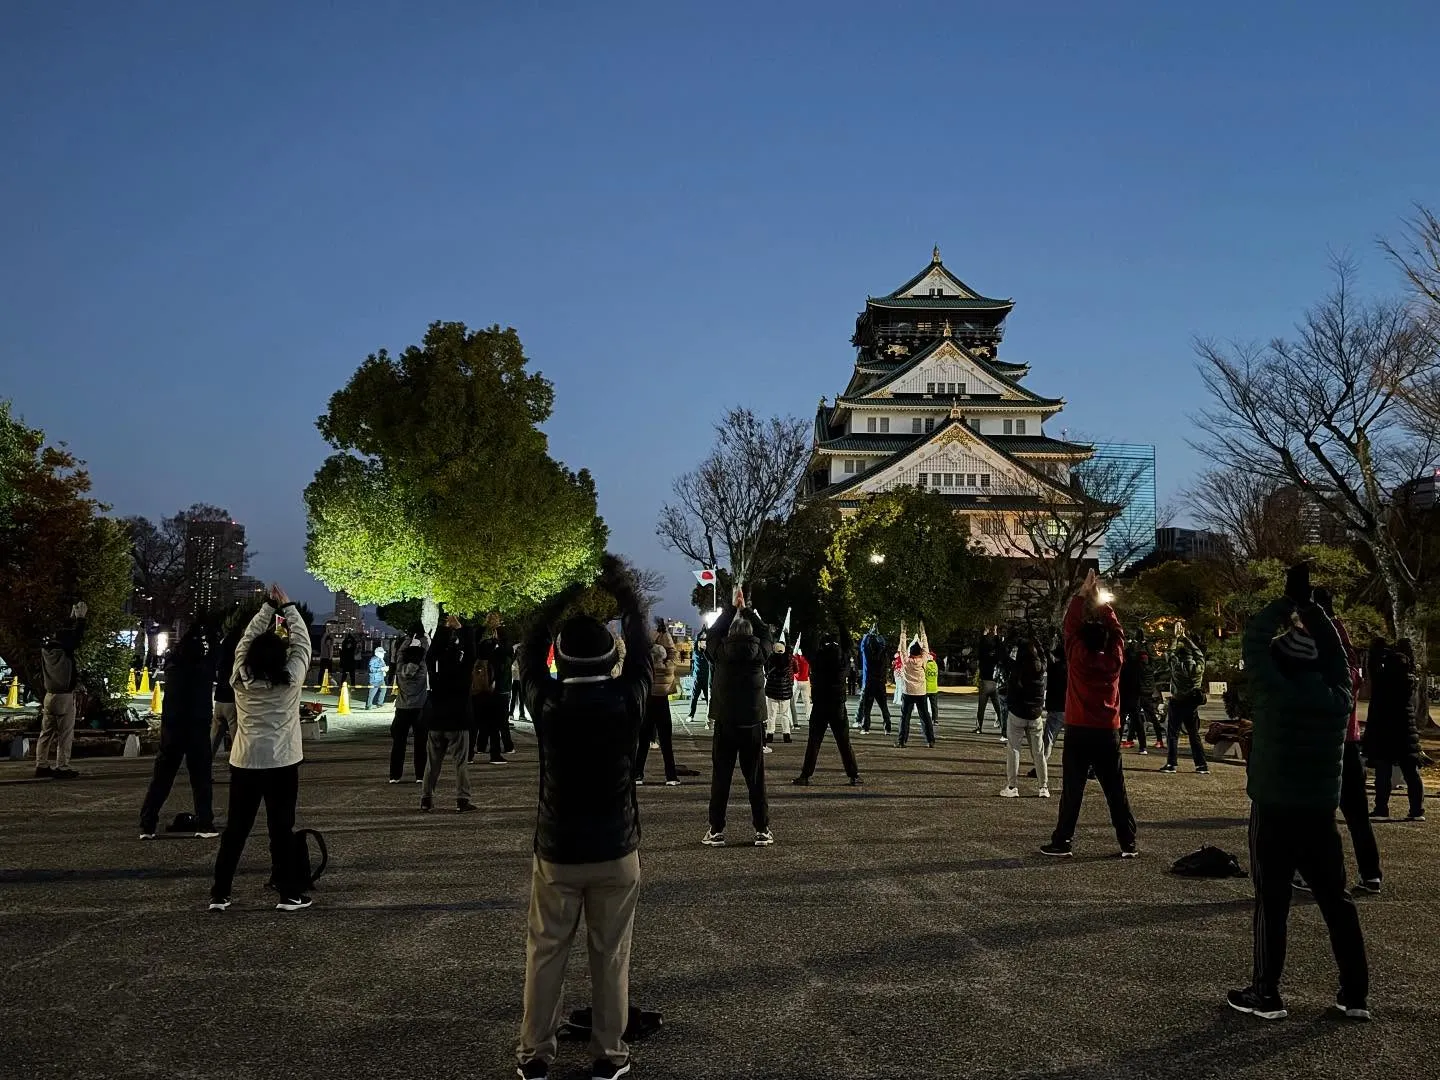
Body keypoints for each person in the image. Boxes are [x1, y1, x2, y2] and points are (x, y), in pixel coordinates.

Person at [515, 555, 652, 1080]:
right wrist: (622, 589)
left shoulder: (546, 702)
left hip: (558, 849)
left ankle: (535, 1054)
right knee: (610, 955)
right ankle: (608, 1054)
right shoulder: (628, 698)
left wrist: (563, 593)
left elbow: (529, 647)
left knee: (546, 952)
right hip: (616, 849)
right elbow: (640, 644)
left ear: (560, 660)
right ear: (611, 656)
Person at [1227, 562, 1369, 1022]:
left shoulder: (1272, 692)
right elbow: (1335, 654)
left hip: (1273, 808)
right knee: (1336, 898)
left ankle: (1267, 993)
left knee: (1273, 901)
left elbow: (1253, 637)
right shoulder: (1338, 697)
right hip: (1319, 813)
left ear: (1283, 660)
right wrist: (1312, 610)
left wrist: (1288, 602)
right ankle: (1354, 994)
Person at [210, 585, 313, 912]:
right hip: (282, 761)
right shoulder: (291, 679)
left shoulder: (239, 679)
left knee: (236, 830)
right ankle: (289, 894)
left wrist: (267, 608)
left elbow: (245, 641)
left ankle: (220, 893)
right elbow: (302, 643)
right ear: (281, 657)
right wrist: (288, 607)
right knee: (281, 828)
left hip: (245, 761)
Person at [1041, 571, 1137, 858]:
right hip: (1108, 729)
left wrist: (1083, 593)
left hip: (1079, 728)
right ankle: (1127, 842)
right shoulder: (1115, 658)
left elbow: (1069, 626)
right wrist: (1104, 605)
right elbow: (1118, 632)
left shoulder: (1077, 656)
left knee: (1073, 789)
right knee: (1115, 789)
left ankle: (1063, 841)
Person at [1307, 588, 1382, 894]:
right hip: (1349, 740)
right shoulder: (1345, 643)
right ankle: (1371, 874)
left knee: (1313, 813)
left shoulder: (1316, 642)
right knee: (1357, 815)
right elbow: (1355, 680)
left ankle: (1316, 874)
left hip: (1322, 742)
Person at [703, 588, 774, 848]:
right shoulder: (760, 655)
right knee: (756, 779)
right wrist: (748, 611)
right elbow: (766, 633)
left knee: (721, 778)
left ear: (730, 633)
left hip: (726, 722)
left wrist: (732, 609)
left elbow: (712, 634)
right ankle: (762, 829)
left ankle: (716, 829)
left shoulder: (720, 653)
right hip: (753, 723)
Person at [140, 622, 219, 839]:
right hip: (198, 727)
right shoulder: (204, 668)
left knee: (162, 779)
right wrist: (211, 632)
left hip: (172, 727)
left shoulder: (172, 666)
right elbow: (215, 653)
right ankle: (205, 824)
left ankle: (147, 824)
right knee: (201, 779)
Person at [1362, 637, 1425, 823]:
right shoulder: (1409, 680)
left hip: (1384, 729)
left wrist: (1377, 648)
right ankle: (1417, 810)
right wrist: (1405, 649)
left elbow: (1372, 666)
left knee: (1383, 771)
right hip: (1405, 729)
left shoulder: (1382, 680)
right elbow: (1411, 663)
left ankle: (1381, 808)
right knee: (1411, 772)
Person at [421, 614, 478, 812]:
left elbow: (430, 656)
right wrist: (462, 630)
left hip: (436, 720)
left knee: (432, 763)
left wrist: (445, 630)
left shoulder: (436, 674)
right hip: (458, 721)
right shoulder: (463, 673)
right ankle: (462, 799)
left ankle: (426, 798)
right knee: (460, 763)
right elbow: (471, 654)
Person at [792, 627, 862, 786]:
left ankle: (805, 775)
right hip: (837, 704)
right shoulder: (842, 661)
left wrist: (812, 626)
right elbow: (848, 645)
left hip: (820, 705)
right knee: (844, 742)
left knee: (814, 741)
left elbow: (807, 645)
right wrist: (841, 621)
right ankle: (854, 774)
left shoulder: (817, 659)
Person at [36, 601, 87, 779]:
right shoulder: (65, 651)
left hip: (49, 695)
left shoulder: (46, 650)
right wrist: (80, 620)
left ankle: (41, 764)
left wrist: (71, 619)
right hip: (64, 696)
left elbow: (67, 635)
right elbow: (76, 638)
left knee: (46, 732)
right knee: (65, 734)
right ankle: (62, 766)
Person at [1001, 630, 1049, 799]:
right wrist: (1038, 642)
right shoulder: (1041, 667)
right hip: (1035, 715)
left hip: (1017, 714)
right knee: (1038, 752)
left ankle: (1012, 786)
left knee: (1014, 749)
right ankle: (1043, 787)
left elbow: (1003, 656)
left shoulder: (1016, 668)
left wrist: (1008, 640)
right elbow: (1044, 657)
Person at [635, 621, 680, 786]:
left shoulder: (646, 668)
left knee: (643, 741)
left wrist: (655, 636)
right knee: (666, 742)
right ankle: (671, 776)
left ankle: (638, 774)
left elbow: (644, 651)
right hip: (662, 702)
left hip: (648, 702)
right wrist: (665, 633)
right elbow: (672, 651)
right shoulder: (668, 667)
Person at [1161, 626, 1209, 774]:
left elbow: (1169, 653)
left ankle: (1172, 764)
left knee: (1173, 733)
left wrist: (1176, 638)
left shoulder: (1177, 665)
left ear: (1180, 655)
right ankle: (1201, 765)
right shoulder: (1199, 667)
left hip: (1177, 702)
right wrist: (1187, 639)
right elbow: (1199, 653)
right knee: (1194, 734)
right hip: (1192, 703)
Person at [389, 645, 428, 784]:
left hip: (402, 708)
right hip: (419, 708)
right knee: (421, 743)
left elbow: (399, 653)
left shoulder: (400, 669)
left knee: (398, 744)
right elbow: (425, 654)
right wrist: (423, 639)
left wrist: (408, 639)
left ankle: (394, 775)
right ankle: (420, 775)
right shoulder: (422, 669)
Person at [896, 623, 934, 748]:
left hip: (907, 692)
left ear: (910, 652)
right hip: (921, 692)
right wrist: (923, 630)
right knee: (925, 717)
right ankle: (930, 741)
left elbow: (902, 649)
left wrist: (903, 632)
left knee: (905, 717)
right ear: (920, 652)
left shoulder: (906, 661)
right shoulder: (923, 660)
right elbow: (926, 648)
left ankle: (902, 741)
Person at [210, 620, 242, 757]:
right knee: (237, 741)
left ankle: (203, 771)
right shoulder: (239, 648)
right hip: (232, 699)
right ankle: (237, 770)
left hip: (219, 699)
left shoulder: (223, 646)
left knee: (213, 738)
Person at [854, 626, 892, 734]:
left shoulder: (867, 655)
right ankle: (887, 727)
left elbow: (863, 646)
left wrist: (867, 635)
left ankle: (866, 727)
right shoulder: (883, 656)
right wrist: (879, 636)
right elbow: (884, 646)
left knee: (867, 708)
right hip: (880, 683)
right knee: (884, 707)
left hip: (869, 683)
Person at [764, 638, 795, 750]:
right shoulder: (787, 659)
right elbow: (790, 650)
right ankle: (786, 735)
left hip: (772, 691)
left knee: (771, 715)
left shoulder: (770, 659)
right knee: (785, 714)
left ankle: (770, 735)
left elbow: (766, 671)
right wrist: (787, 635)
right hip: (785, 691)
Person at [974, 626, 1004, 734]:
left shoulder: (983, 655)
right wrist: (996, 634)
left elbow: (980, 647)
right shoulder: (996, 656)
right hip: (995, 682)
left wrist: (984, 634)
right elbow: (1000, 647)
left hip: (985, 682)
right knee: (999, 708)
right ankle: (1004, 728)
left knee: (981, 707)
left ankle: (979, 727)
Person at [789, 645, 811, 731]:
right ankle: (808, 715)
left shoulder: (796, 658)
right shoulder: (807, 659)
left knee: (793, 700)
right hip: (805, 680)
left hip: (797, 681)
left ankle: (792, 717)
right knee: (807, 701)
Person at [688, 639, 710, 721]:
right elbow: (696, 642)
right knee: (694, 698)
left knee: (709, 698)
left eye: (705, 642)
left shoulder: (708, 653)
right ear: (699, 644)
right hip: (697, 679)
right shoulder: (696, 652)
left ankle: (710, 715)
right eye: (702, 643)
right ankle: (691, 715)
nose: (704, 644)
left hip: (707, 679)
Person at [925, 649, 940, 734]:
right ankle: (935, 719)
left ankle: (925, 719)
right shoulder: (935, 665)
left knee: (924, 705)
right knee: (934, 705)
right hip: (934, 688)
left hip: (926, 688)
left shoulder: (926, 665)